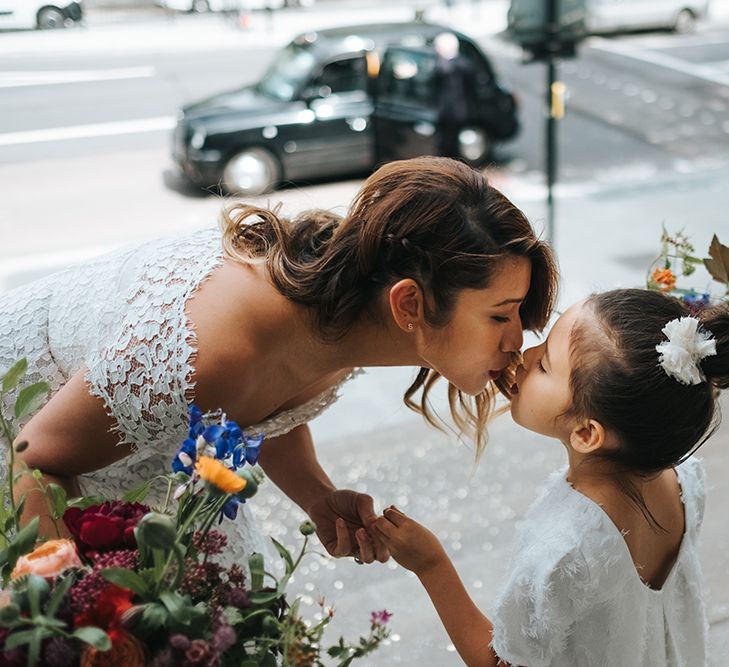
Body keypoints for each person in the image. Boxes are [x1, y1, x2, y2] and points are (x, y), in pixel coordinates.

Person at [0, 156, 558, 566]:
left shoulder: (351, 310)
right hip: (29, 437)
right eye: (500, 315)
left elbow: (264, 400)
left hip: (114, 452)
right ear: (409, 303)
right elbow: (35, 460)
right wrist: (73, 619)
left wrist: (317, 496)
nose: (519, 340)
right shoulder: (208, 350)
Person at [375, 288, 729, 666]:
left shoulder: (562, 551)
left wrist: (431, 565)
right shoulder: (683, 483)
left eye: (544, 364)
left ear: (586, 434)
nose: (525, 354)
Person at [433, 32, 477, 160]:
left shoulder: (442, 67)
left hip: (448, 113)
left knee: (447, 145)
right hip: (461, 111)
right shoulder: (465, 64)